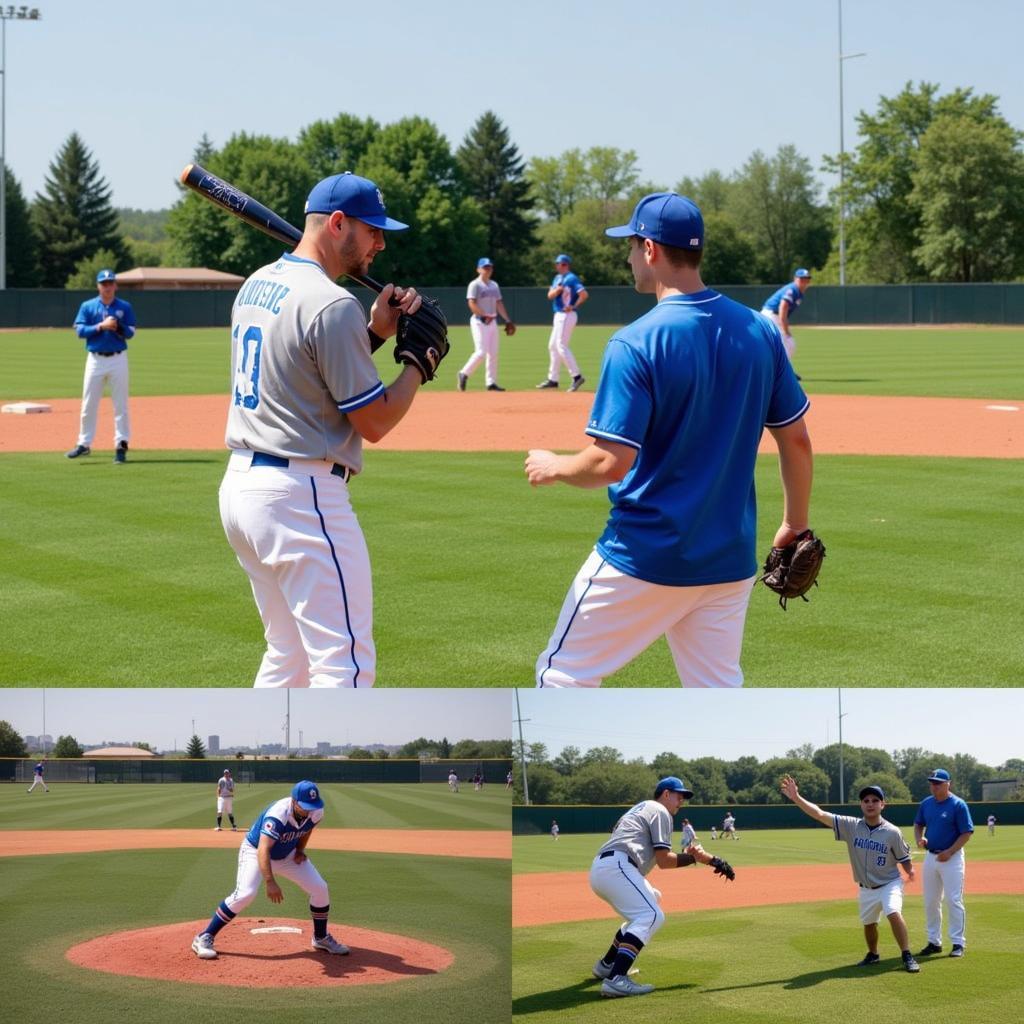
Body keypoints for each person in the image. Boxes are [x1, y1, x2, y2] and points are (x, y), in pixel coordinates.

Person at [526, 193, 813, 687]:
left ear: (653, 249)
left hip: (646, 555)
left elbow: (608, 464)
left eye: (633, 245)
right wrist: (794, 524)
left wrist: (554, 465)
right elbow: (797, 440)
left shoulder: (636, 340)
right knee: (716, 693)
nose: (629, 256)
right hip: (730, 560)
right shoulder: (759, 331)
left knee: (561, 677)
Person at [219, 172, 430, 688]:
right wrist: (420, 364)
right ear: (338, 224)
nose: (381, 241)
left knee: (287, 656)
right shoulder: (332, 304)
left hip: (244, 491)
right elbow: (374, 421)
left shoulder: (258, 283)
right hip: (300, 498)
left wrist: (376, 332)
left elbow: (307, 375)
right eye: (372, 230)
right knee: (344, 664)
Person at [590, 776, 725, 998]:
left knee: (653, 898)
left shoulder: (641, 808)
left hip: (604, 867)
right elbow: (664, 861)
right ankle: (616, 979)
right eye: (678, 795)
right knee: (652, 915)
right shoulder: (660, 811)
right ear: (665, 794)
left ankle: (607, 965)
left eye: (683, 797)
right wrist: (696, 859)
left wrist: (701, 859)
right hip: (617, 866)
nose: (681, 801)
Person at [191, 780, 348, 960]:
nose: (309, 810)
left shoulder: (316, 811)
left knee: (320, 888)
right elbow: (263, 849)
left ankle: (320, 938)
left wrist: (299, 850)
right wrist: (270, 881)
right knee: (245, 894)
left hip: (287, 854)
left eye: (312, 806)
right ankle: (204, 937)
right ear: (294, 801)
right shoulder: (278, 814)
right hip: (256, 852)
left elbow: (306, 830)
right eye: (305, 806)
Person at [781, 775, 920, 973]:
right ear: (861, 805)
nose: (870, 804)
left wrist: (910, 871)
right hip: (866, 888)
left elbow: (903, 857)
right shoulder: (851, 826)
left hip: (890, 883)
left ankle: (907, 954)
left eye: (875, 800)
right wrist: (796, 798)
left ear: (883, 805)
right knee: (869, 923)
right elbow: (820, 814)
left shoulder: (892, 832)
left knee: (892, 912)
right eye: (866, 801)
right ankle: (873, 954)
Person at [66, 269, 137, 464]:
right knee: (88, 404)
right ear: (98, 286)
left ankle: (121, 447)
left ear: (115, 285)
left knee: (121, 406)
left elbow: (131, 332)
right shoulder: (88, 306)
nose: (107, 286)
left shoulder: (124, 306)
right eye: (103, 283)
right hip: (95, 359)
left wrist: (117, 326)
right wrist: (101, 326)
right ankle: (84, 444)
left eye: (110, 283)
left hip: (118, 358)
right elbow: (79, 331)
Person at [914, 768, 974, 958]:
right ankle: (934, 942)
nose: (934, 786)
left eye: (938, 783)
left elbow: (966, 833)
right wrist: (920, 838)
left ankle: (958, 943)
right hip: (931, 857)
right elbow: (918, 824)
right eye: (932, 782)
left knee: (953, 900)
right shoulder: (926, 803)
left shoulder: (958, 805)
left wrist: (950, 851)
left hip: (952, 858)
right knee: (931, 901)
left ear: (948, 784)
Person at [457, 257, 514, 392]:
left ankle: (491, 382)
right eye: (485, 267)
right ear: (478, 269)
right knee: (481, 352)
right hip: (479, 321)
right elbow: (471, 303)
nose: (488, 270)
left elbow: (498, 303)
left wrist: (507, 319)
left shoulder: (494, 285)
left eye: (490, 267)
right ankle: (464, 373)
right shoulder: (475, 284)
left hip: (492, 322)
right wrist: (483, 315)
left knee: (493, 353)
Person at [536, 254, 587, 392]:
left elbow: (584, 295)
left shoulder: (571, 278)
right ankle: (553, 379)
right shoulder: (557, 278)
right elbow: (550, 296)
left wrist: (574, 306)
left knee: (561, 345)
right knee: (552, 346)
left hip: (567, 315)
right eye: (557, 263)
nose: (558, 266)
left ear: (566, 265)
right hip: (558, 314)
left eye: (561, 264)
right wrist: (557, 290)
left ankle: (577, 376)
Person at [760, 268, 812, 372]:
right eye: (801, 278)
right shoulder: (792, 289)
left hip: (773, 316)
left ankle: (784, 372)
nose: (804, 281)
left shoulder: (798, 292)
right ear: (795, 279)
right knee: (788, 343)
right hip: (771, 316)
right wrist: (785, 329)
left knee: (788, 345)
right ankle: (782, 372)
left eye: (806, 279)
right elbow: (782, 307)